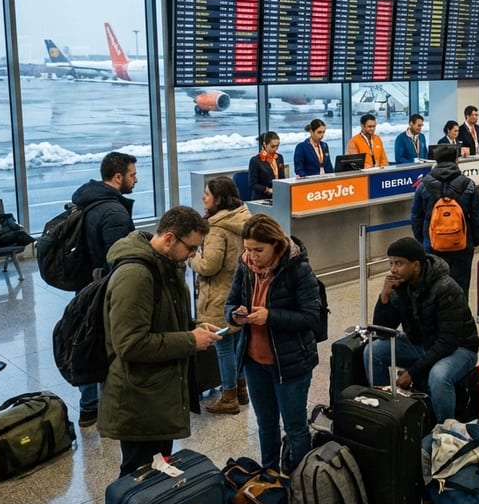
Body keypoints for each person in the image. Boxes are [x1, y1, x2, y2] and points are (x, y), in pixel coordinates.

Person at [99, 205, 219, 476]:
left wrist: (196, 327)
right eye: (190, 249)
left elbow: (166, 321)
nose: (192, 257)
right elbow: (130, 343)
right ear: (168, 239)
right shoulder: (136, 275)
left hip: (159, 394)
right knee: (138, 476)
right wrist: (190, 340)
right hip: (139, 399)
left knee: (157, 470)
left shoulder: (168, 266)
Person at [226, 213, 321, 473]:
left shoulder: (297, 268)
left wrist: (270, 316)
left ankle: (299, 483)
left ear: (276, 245)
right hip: (254, 362)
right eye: (248, 249)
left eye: (259, 250)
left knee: (295, 427)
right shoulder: (245, 265)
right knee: (265, 424)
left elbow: (311, 316)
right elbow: (229, 303)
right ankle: (269, 476)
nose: (252, 256)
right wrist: (234, 314)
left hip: (290, 363)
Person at [366, 237, 479, 422]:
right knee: (373, 351)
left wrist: (412, 372)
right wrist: (384, 297)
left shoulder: (446, 288)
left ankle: (445, 430)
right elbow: (382, 331)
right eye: (391, 263)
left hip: (460, 348)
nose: (393, 269)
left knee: (439, 377)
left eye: (399, 263)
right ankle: (388, 414)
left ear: (416, 266)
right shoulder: (400, 286)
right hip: (421, 342)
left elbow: (447, 343)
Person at [70, 151, 138, 427]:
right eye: (132, 174)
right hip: (105, 287)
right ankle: (109, 404)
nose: (136, 179)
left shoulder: (86, 201)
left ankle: (88, 406)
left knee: (87, 339)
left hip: (84, 283)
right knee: (106, 344)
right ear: (118, 176)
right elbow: (121, 257)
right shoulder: (114, 212)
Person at [189, 176, 252, 415]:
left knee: (224, 347)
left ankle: (229, 396)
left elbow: (209, 266)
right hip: (238, 290)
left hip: (218, 294)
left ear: (219, 198)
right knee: (238, 344)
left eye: (207, 194)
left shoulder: (217, 227)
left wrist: (192, 256)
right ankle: (242, 388)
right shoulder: (242, 218)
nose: (203, 198)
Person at [411, 145, 479, 295]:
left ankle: (436, 318)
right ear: (456, 160)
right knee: (461, 287)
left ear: (436, 160)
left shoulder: (424, 185)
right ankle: (461, 316)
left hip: (433, 243)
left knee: (433, 287)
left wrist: (423, 240)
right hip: (462, 243)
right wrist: (475, 240)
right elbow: (477, 216)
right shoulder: (468, 184)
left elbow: (416, 217)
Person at [249, 131, 284, 200]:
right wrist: (268, 190)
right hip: (262, 197)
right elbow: (253, 184)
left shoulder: (279, 157)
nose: (276, 149)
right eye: (273, 146)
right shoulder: (255, 161)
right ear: (265, 144)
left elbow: (282, 178)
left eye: (278, 146)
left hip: (278, 195)